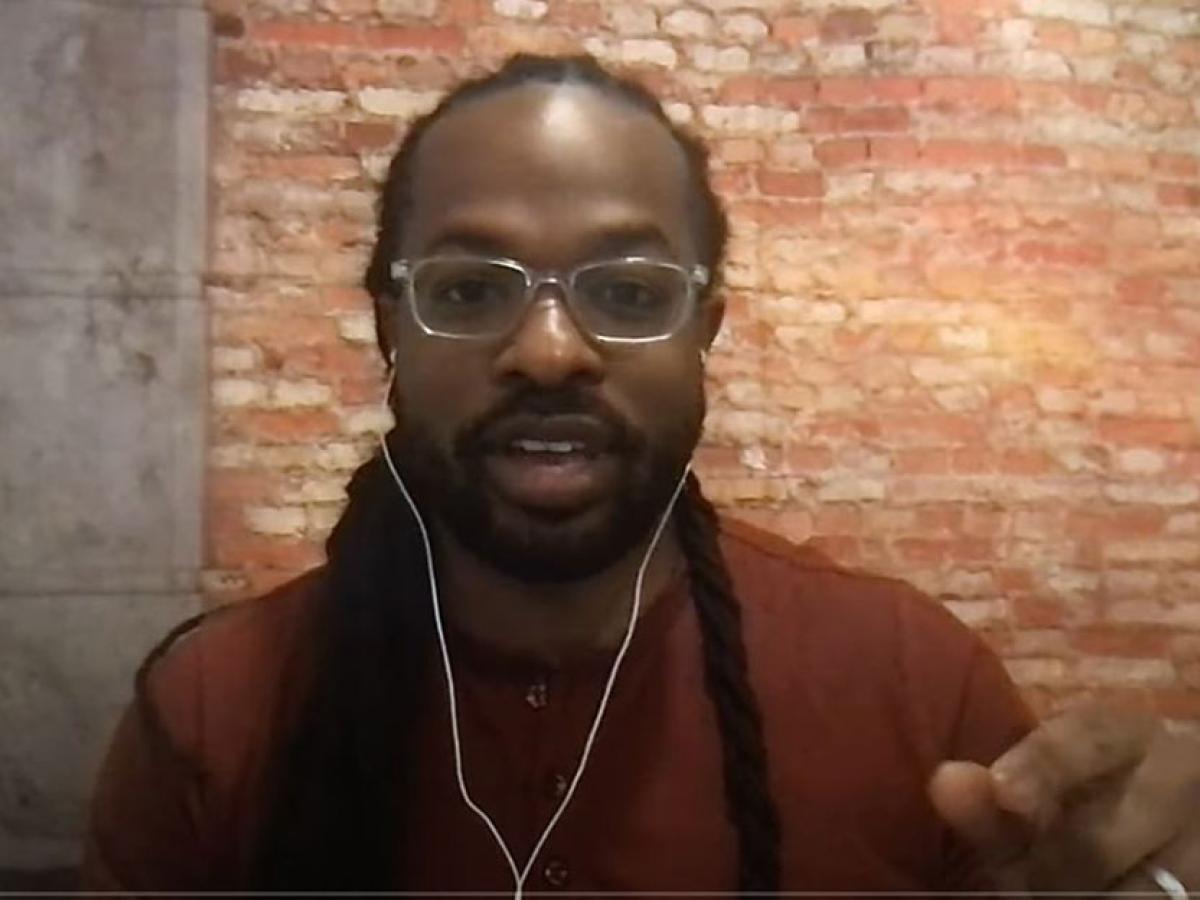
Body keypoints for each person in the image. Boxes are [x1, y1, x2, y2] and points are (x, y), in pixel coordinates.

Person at [84, 54, 1198, 896]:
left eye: (626, 291)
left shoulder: (917, 692)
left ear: (702, 330)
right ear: (392, 329)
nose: (551, 351)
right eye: (471, 291)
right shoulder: (213, 715)